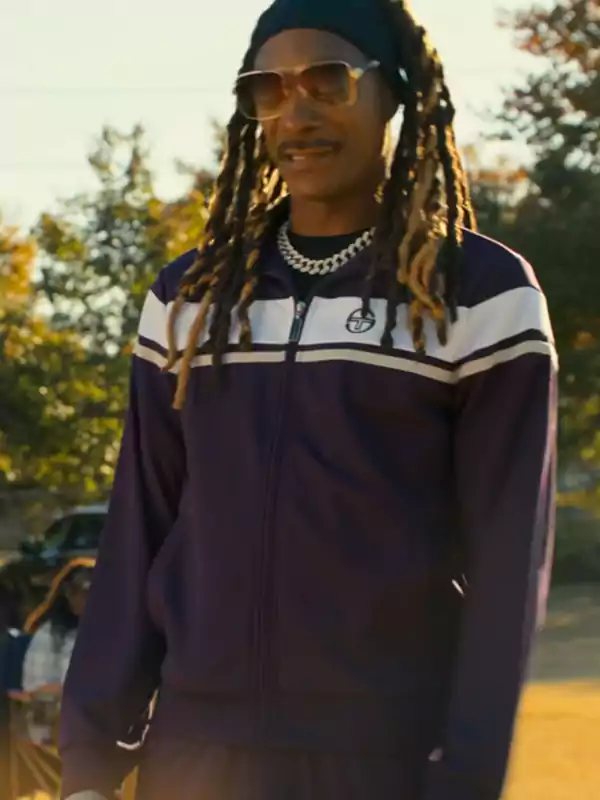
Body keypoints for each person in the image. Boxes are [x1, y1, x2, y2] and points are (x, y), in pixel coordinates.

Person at [60, 0, 557, 798]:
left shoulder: (481, 296)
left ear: (395, 94)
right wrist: (89, 762)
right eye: (270, 89)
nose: (296, 114)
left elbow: (508, 564)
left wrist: (465, 777)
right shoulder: (189, 298)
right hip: (194, 759)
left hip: (382, 756)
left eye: (329, 82)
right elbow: (138, 528)